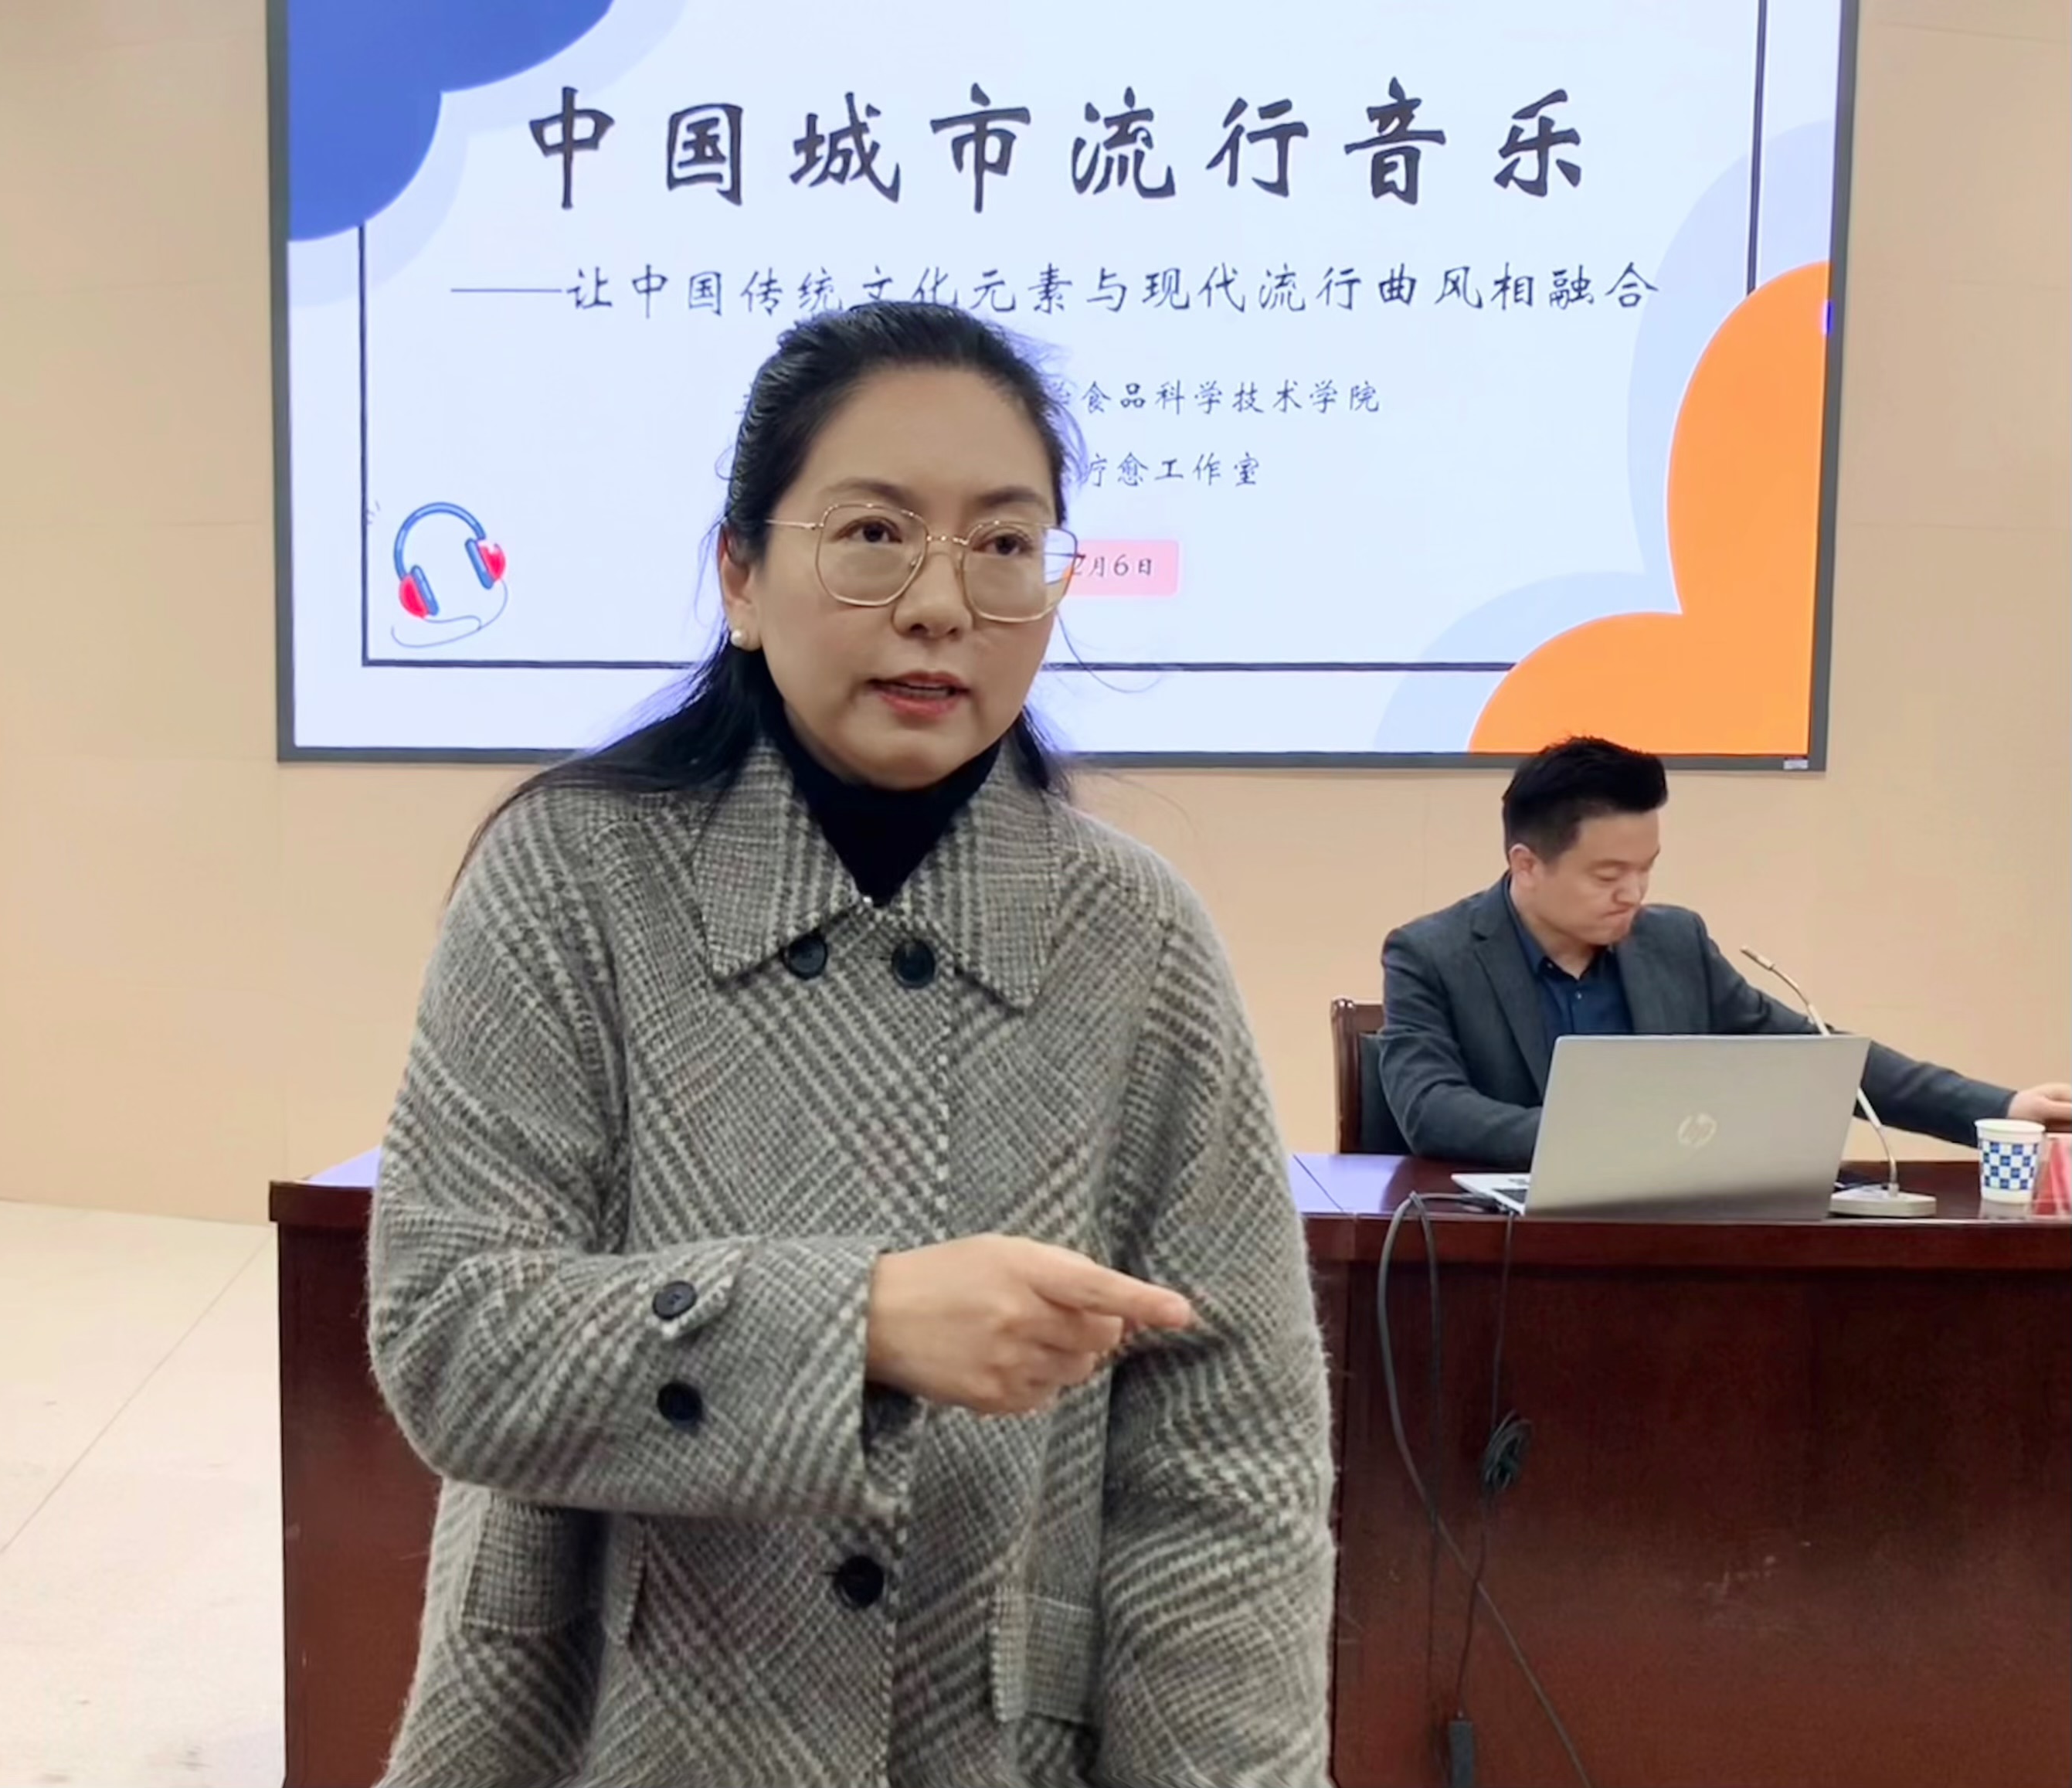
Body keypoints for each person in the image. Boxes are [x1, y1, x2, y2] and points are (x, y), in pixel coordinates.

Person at [365, 304, 1334, 1788]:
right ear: (740, 577)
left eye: (1004, 544)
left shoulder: (1135, 936)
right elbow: (451, 1333)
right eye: (874, 532)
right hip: (608, 1723)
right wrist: (854, 1324)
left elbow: (1227, 1473)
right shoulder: (569, 874)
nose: (942, 603)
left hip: (994, 1738)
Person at [1380, 736, 2072, 1168]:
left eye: (1645, 868)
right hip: (1510, 1246)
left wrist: (2002, 1106)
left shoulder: (1673, 943)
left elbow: (1822, 1059)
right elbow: (1431, 1109)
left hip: (1673, 1238)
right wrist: (1607, 1142)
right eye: (1607, 875)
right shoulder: (1430, 954)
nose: (1634, 893)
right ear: (1526, 864)